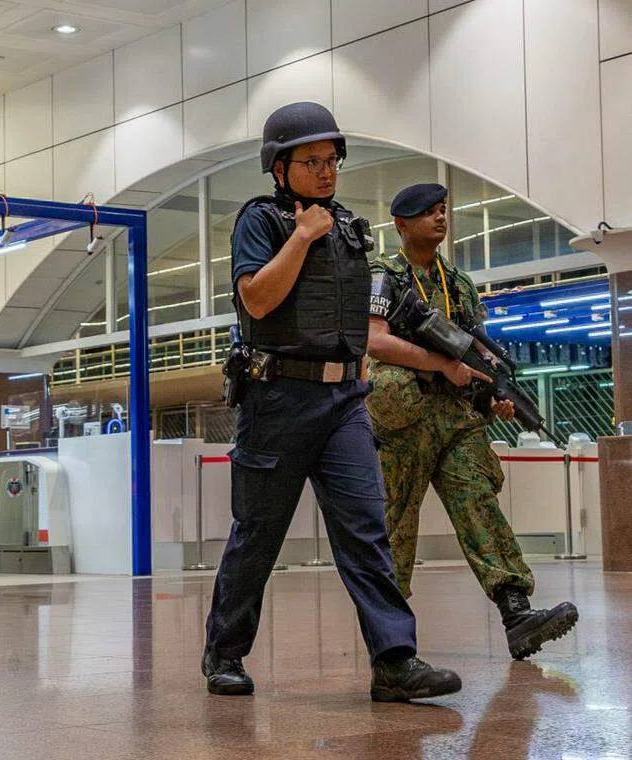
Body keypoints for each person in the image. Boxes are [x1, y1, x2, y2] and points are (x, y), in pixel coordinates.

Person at [202, 102, 462, 703]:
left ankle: (394, 660)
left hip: (345, 398)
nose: (325, 172)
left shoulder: (348, 227)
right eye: (312, 161)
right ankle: (225, 653)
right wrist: (299, 236)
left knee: (366, 531)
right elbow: (258, 301)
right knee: (259, 534)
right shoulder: (261, 221)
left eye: (332, 161)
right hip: (278, 398)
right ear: (279, 166)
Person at [365, 183, 579, 659]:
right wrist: (440, 365)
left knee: (478, 503)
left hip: (455, 416)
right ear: (401, 224)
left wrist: (491, 397)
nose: (440, 218)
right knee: (395, 523)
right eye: (427, 212)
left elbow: (474, 351)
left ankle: (517, 612)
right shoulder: (384, 273)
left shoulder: (457, 282)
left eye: (443, 211)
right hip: (404, 415)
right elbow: (374, 341)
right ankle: (390, 643)